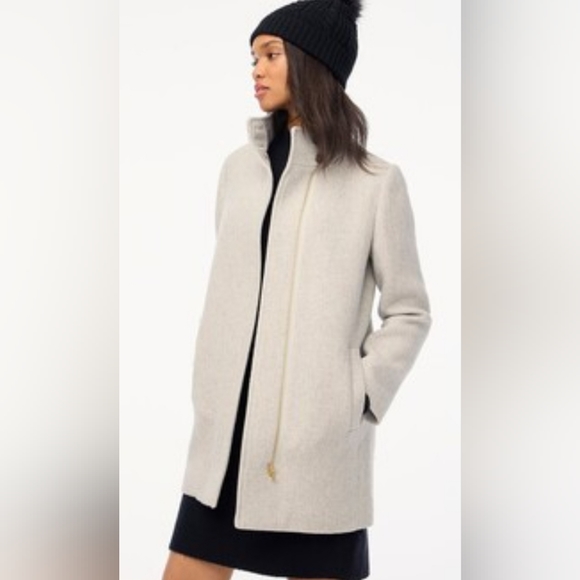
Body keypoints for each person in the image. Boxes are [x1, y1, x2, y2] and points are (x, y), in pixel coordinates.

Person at [162, 0, 431, 579]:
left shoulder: (375, 183)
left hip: (316, 448)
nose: (256, 69)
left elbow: (409, 310)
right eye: (253, 58)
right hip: (226, 441)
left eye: (271, 54)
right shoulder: (238, 170)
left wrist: (357, 395)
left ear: (311, 62)